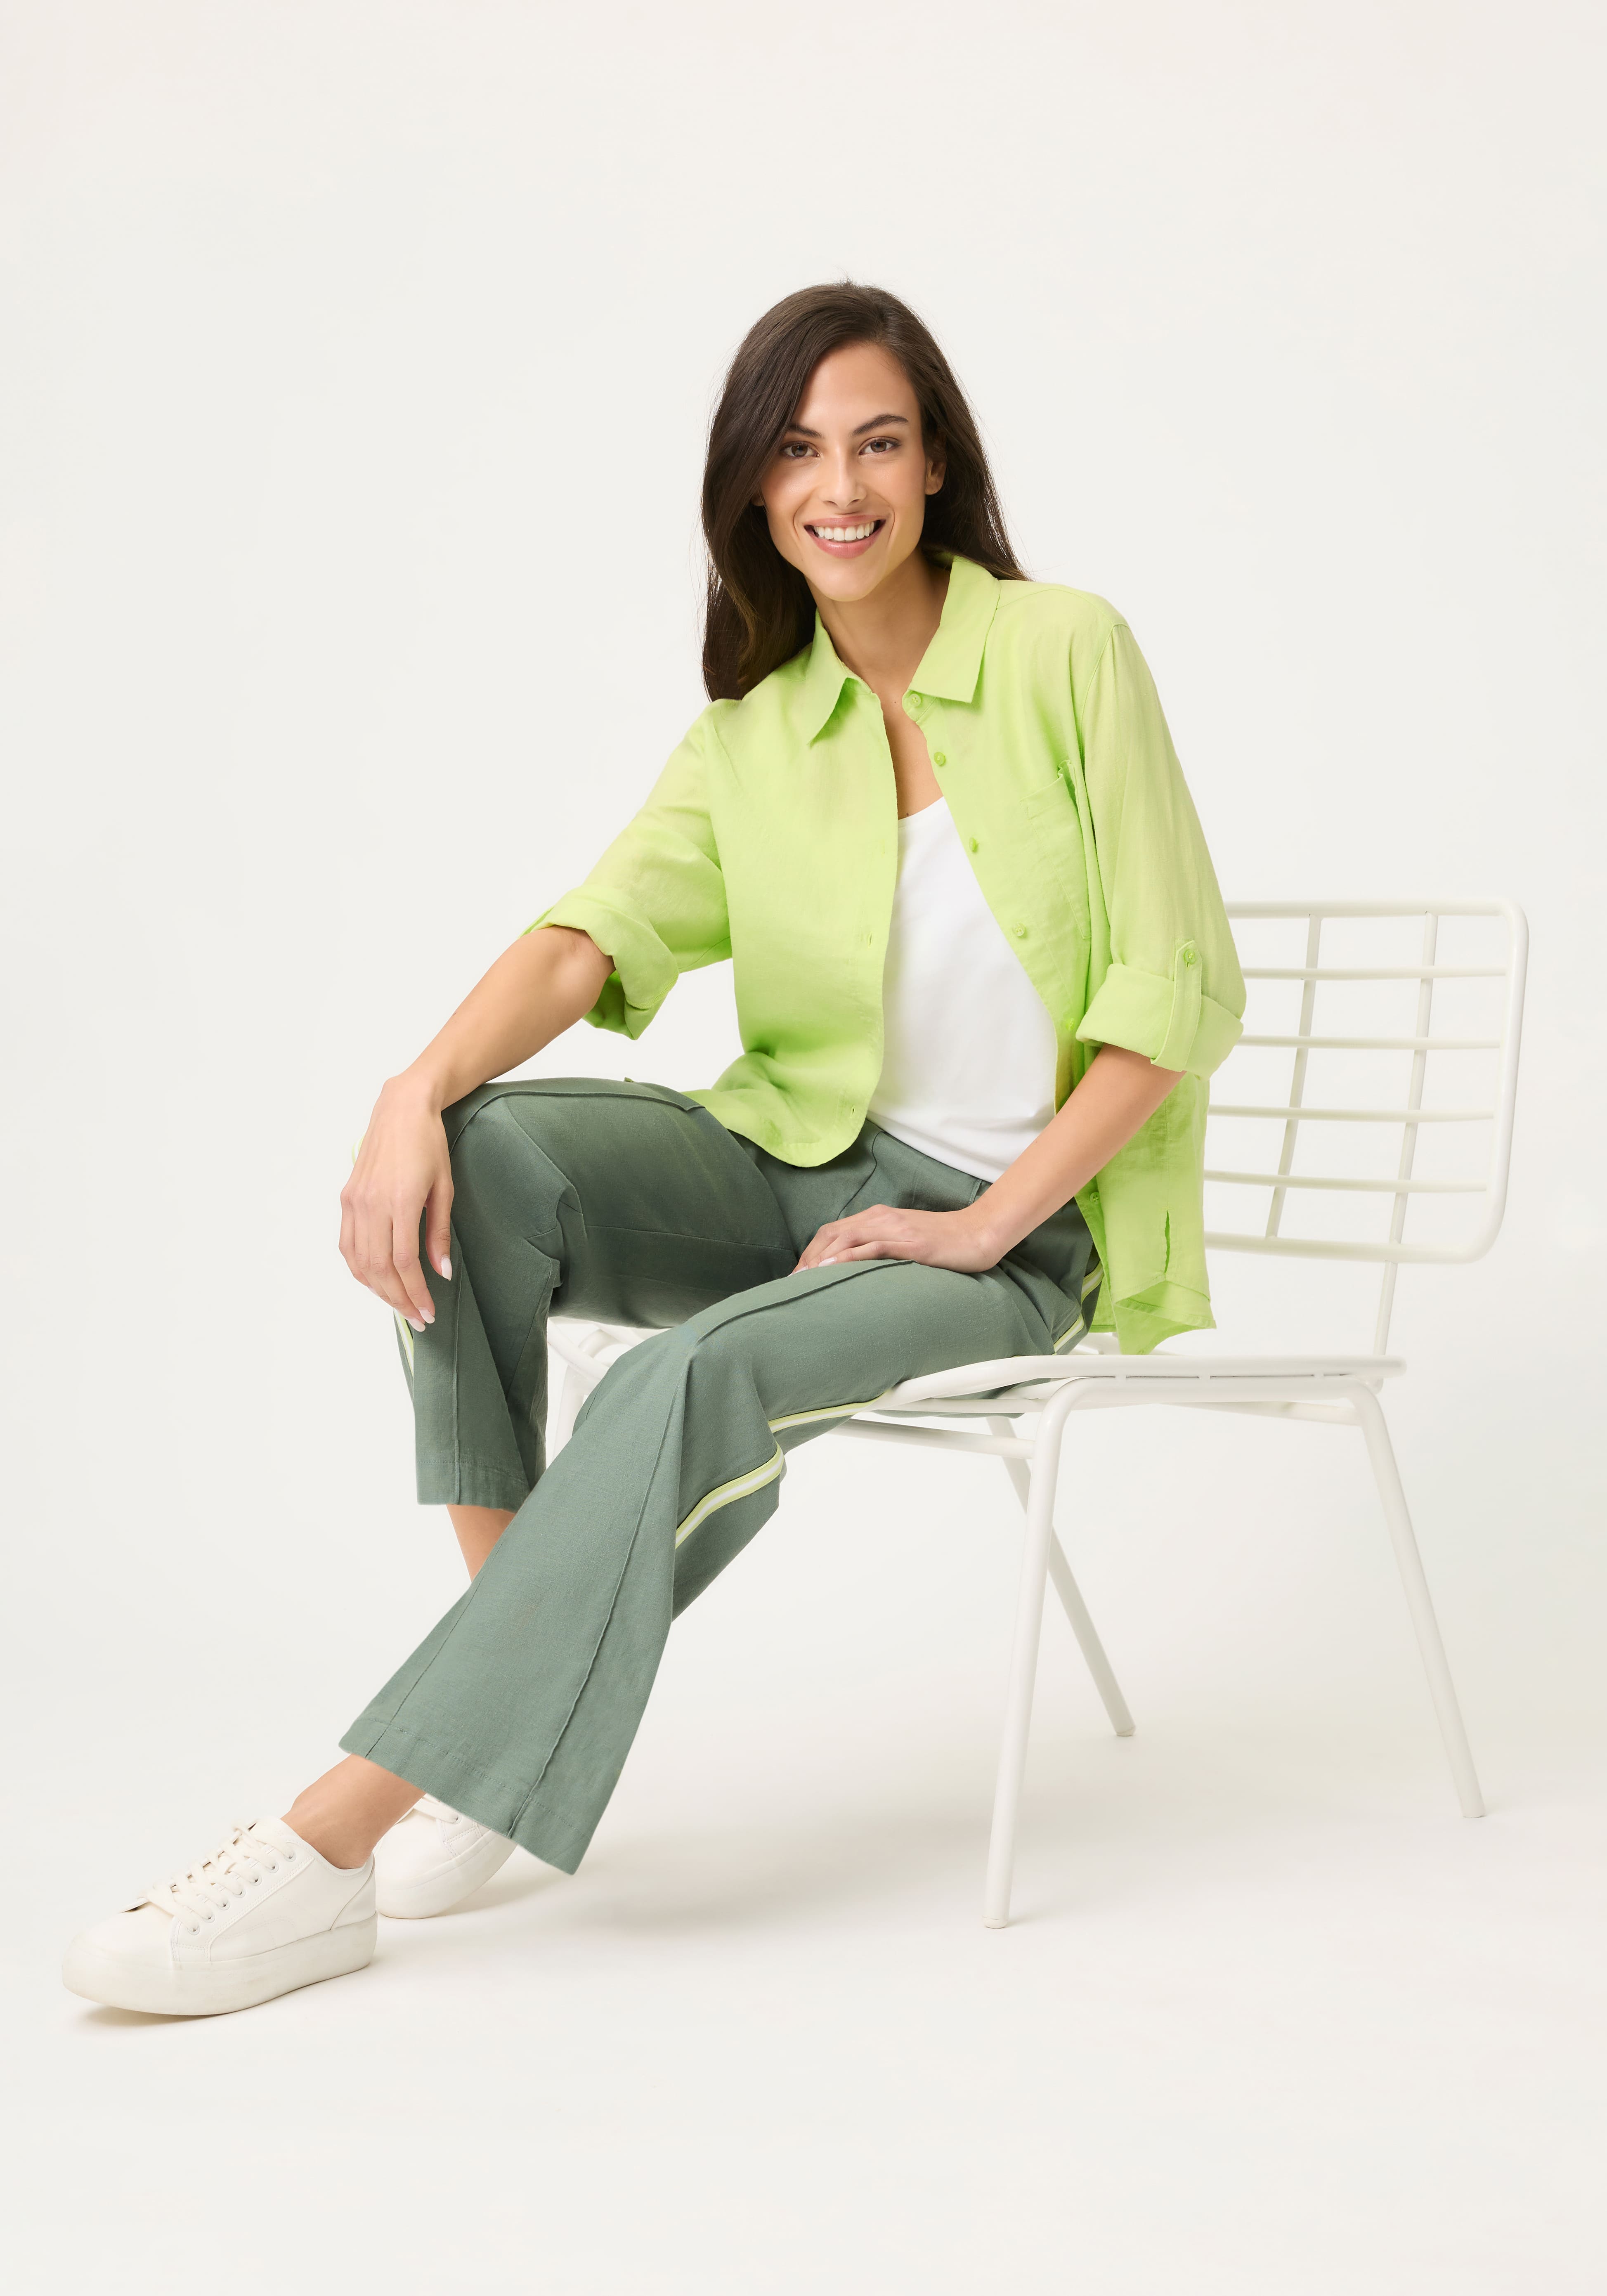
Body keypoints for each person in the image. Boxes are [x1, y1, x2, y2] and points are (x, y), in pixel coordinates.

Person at [63, 282, 1245, 2017]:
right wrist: (411, 1089)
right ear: (755, 485)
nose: (838, 486)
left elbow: (1175, 987)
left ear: (934, 465)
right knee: (481, 1157)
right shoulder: (758, 731)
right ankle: (506, 1703)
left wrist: (987, 1223)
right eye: (798, 451)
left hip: (1016, 1237)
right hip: (802, 1165)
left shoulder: (1067, 651)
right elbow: (588, 939)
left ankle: (330, 1839)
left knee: (673, 1378)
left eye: (877, 443)